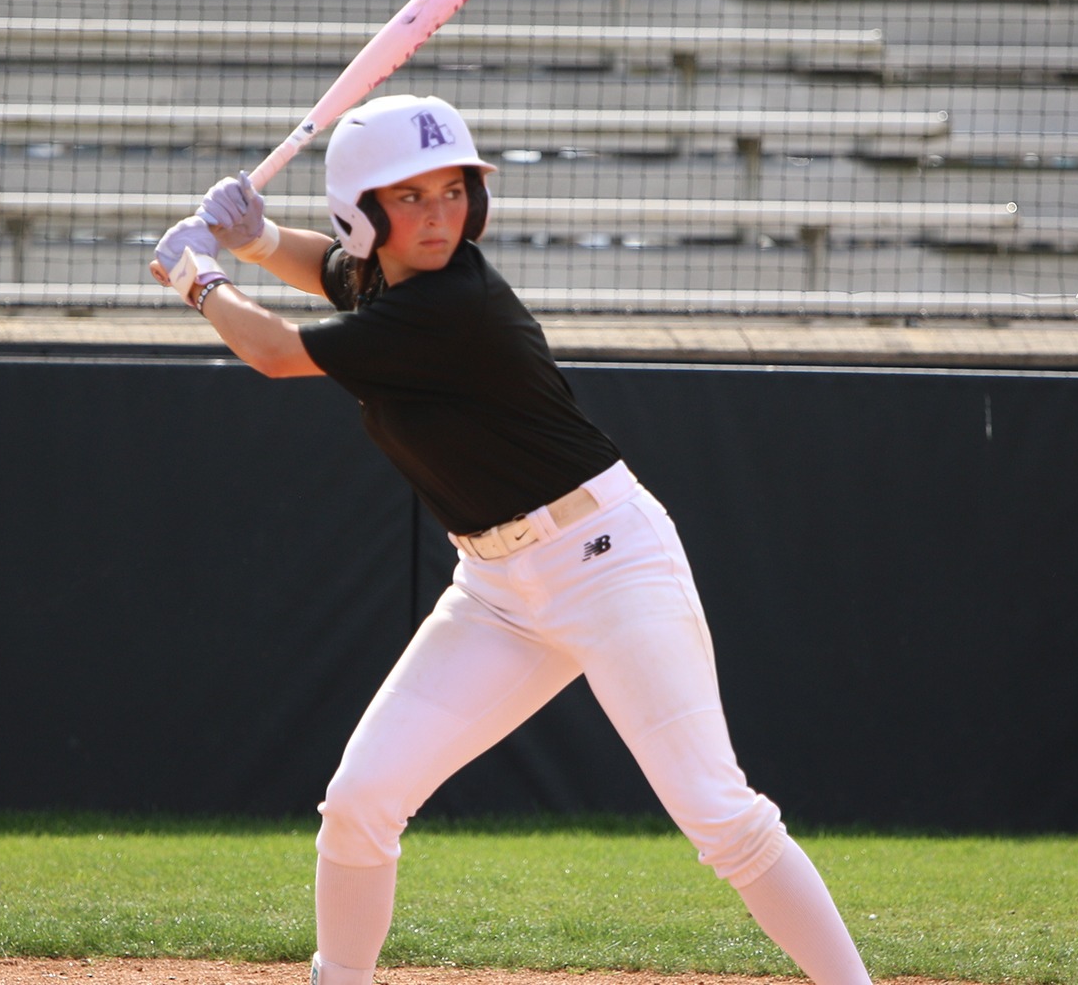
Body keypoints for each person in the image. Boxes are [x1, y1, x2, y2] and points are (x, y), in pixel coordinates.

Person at [147, 94, 874, 985]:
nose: (438, 215)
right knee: (361, 801)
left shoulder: (451, 302)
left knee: (721, 815)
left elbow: (275, 352)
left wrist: (199, 277)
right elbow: (332, 270)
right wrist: (257, 239)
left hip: (608, 564)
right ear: (362, 215)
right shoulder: (390, 284)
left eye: (453, 191)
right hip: (495, 591)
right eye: (409, 197)